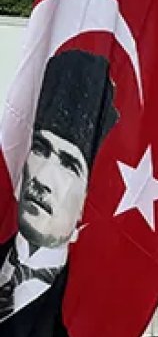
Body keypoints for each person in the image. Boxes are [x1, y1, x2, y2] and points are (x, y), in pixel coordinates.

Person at [0, 50, 117, 322]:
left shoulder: (83, 300)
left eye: (68, 165)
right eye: (40, 149)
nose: (42, 177)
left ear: (88, 196)